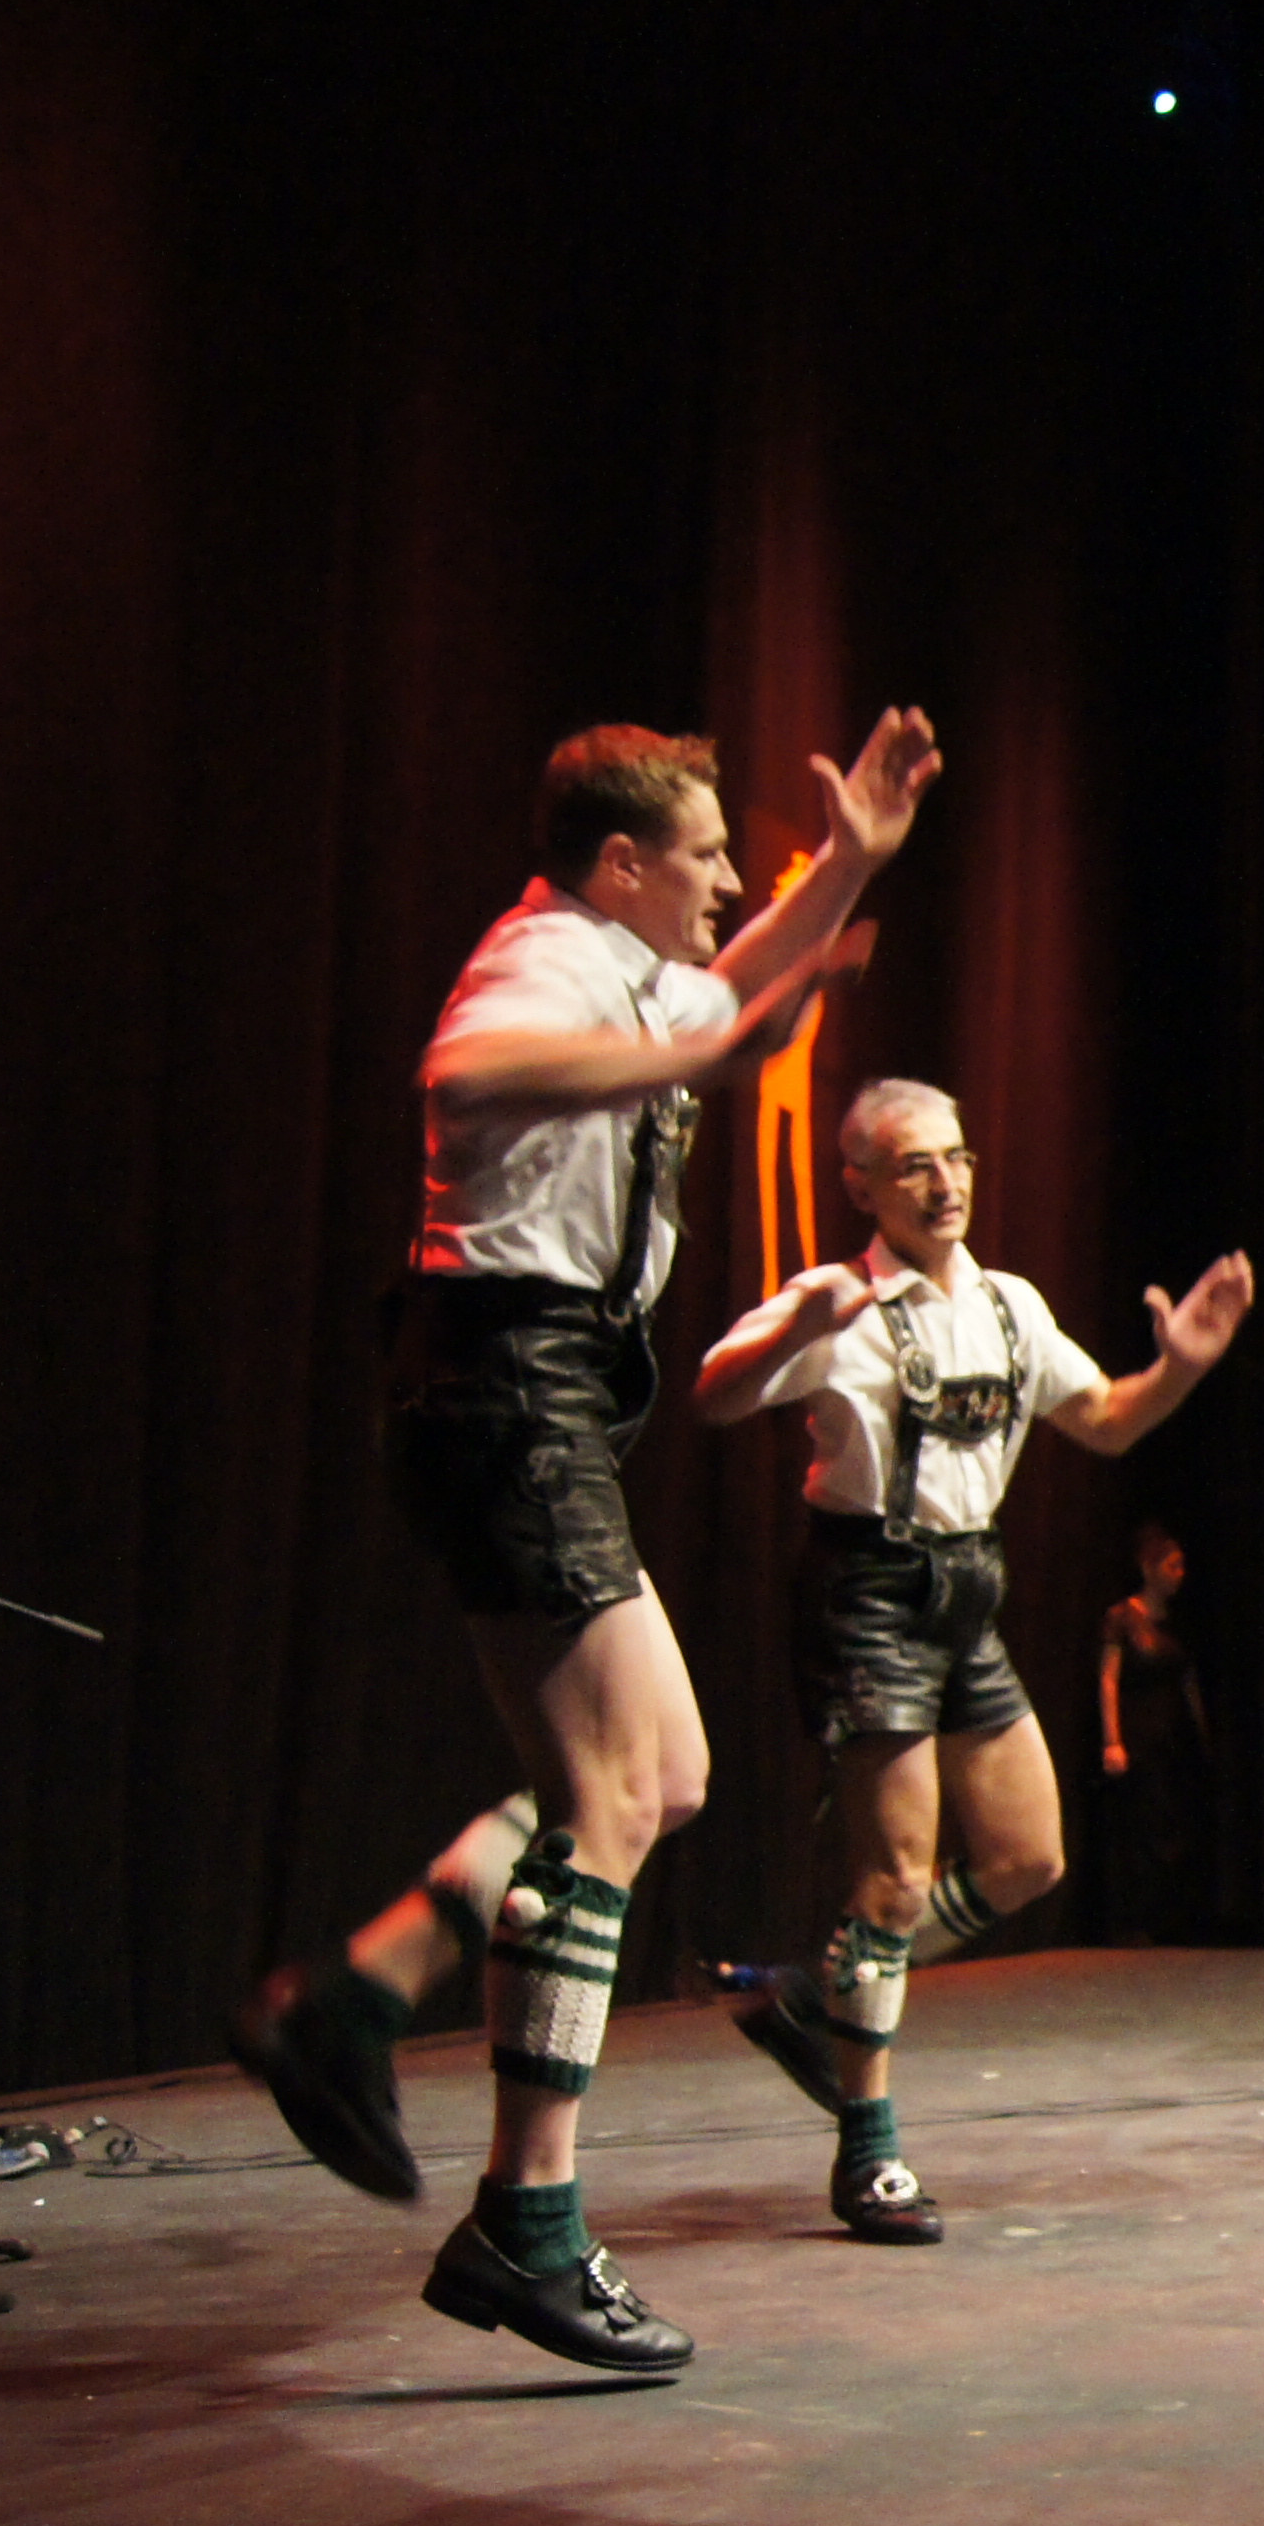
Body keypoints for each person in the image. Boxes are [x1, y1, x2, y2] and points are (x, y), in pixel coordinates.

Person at [230, 711, 943, 2372]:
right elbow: (466, 1071)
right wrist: (712, 1037)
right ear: (621, 864)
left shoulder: (635, 971)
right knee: (618, 1793)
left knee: (657, 1778)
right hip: (504, 1381)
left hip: (530, 1397)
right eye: (704, 855)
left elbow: (732, 984)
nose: (728, 883)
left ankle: (360, 1994)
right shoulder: (545, 957)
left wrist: (852, 863)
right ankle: (526, 2221)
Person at [691, 1079, 1252, 2241]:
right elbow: (713, 1394)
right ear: (861, 1185)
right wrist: (792, 1329)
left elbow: (1105, 1418)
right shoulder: (836, 1300)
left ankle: (814, 1995)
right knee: (895, 1877)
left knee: (1028, 1855)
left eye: (955, 1158)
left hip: (968, 1591)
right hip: (869, 1589)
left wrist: (1185, 1365)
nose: (944, 1182)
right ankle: (868, 2146)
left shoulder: (1008, 1304)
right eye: (913, 1164)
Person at [1100, 1522, 1217, 1943]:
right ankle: (1137, 1922)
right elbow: (1109, 1679)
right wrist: (1112, 1740)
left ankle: (1172, 1918)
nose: (1180, 1574)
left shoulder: (1178, 1623)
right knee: (1143, 1825)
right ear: (1148, 1568)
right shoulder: (1122, 1617)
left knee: (1176, 1825)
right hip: (1140, 1734)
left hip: (1174, 1737)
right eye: (1172, 1565)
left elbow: (1189, 1682)